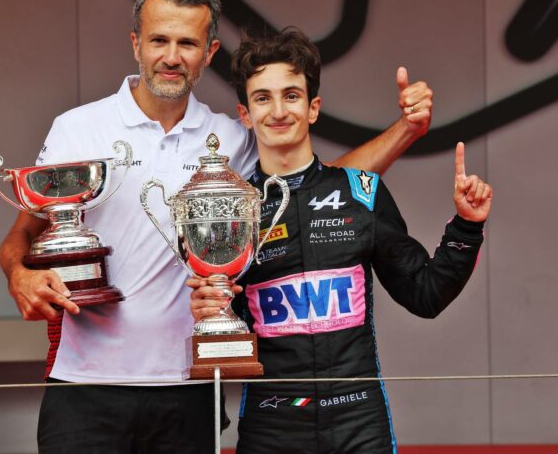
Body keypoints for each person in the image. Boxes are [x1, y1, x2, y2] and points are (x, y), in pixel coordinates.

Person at [0, 0, 434, 454]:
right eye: (159, 40)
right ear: (136, 44)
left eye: (187, 43)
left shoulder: (231, 138)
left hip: (189, 383)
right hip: (84, 384)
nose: (171, 56)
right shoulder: (78, 128)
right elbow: (24, 231)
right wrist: (18, 273)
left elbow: (317, 185)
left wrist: (405, 131)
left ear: (209, 52)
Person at [188, 27, 492, 453]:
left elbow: (426, 294)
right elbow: (227, 323)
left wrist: (466, 225)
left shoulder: (361, 191)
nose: (278, 110)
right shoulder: (232, 214)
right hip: (272, 422)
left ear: (313, 108)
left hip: (358, 419)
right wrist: (209, 308)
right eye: (263, 98)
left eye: (292, 95)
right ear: (244, 114)